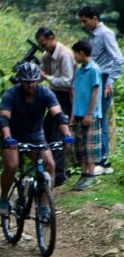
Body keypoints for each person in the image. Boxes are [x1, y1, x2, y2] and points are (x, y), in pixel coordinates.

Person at [0, 62, 74, 216]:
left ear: (38, 80)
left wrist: (67, 135)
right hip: (12, 136)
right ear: (20, 81)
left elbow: (58, 115)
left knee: (50, 165)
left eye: (33, 81)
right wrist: (8, 137)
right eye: (27, 82)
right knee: (12, 165)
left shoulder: (45, 93)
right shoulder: (10, 94)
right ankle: (4, 198)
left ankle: (44, 206)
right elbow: (3, 119)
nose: (30, 85)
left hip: (35, 136)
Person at [78, 6, 124, 174]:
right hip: (97, 78)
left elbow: (119, 59)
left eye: (85, 21)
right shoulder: (94, 35)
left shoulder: (105, 33)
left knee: (99, 118)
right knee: (100, 117)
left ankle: (103, 160)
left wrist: (110, 82)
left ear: (94, 18)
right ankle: (102, 160)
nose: (83, 25)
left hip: (104, 79)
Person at [36, 27, 75, 187]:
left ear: (52, 38)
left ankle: (58, 175)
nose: (43, 48)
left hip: (66, 97)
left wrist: (47, 77)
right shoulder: (46, 56)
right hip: (53, 96)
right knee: (44, 132)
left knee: (57, 136)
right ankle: (44, 170)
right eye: (41, 46)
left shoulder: (65, 55)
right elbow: (41, 75)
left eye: (44, 44)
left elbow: (68, 81)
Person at [70, 39, 103, 190]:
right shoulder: (79, 70)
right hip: (78, 113)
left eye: (75, 53)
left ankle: (91, 175)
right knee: (81, 147)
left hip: (90, 115)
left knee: (90, 147)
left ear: (82, 53)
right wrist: (73, 114)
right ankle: (84, 174)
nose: (74, 56)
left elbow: (95, 92)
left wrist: (89, 114)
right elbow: (75, 92)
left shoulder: (94, 69)